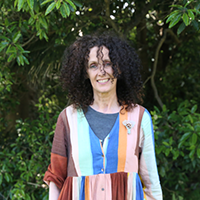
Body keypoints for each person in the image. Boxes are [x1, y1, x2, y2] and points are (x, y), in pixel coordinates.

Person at [43, 33, 163, 200]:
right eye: (93, 65)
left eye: (108, 64)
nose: (101, 72)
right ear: (85, 72)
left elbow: (151, 186)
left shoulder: (139, 117)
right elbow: (56, 179)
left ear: (119, 68)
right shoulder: (68, 118)